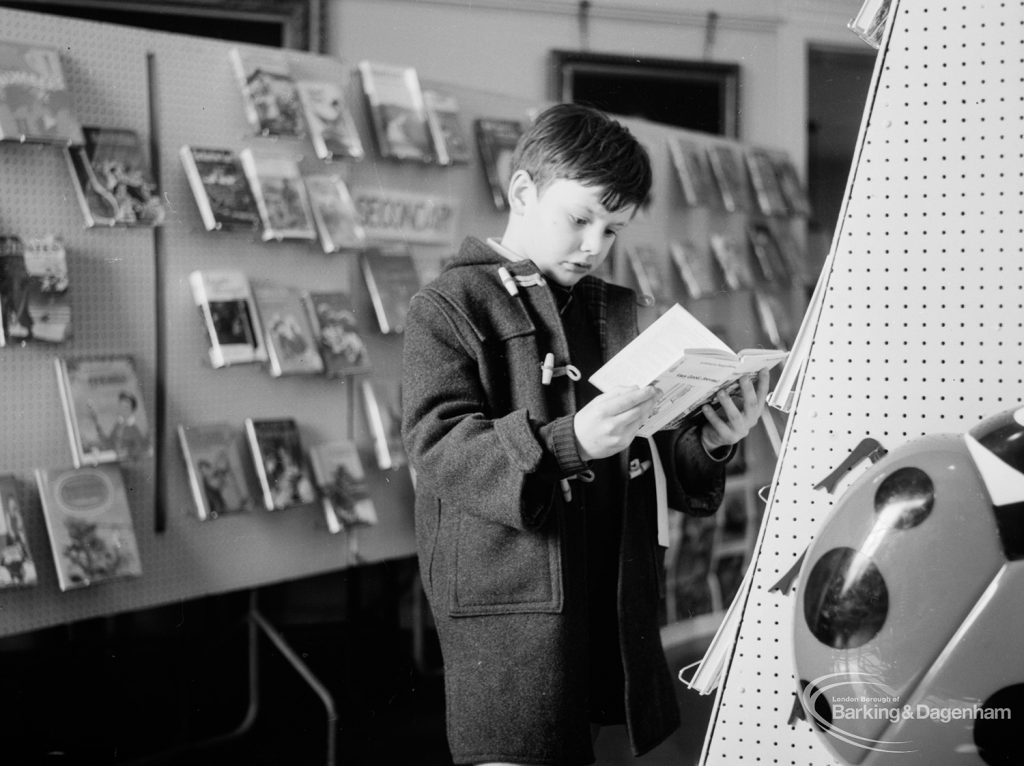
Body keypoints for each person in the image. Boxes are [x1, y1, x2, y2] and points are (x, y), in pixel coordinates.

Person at [401, 103, 768, 766]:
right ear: (521, 192)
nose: (595, 245)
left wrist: (712, 440)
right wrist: (571, 442)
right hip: (510, 610)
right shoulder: (448, 306)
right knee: (519, 749)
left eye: (613, 229)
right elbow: (438, 449)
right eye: (579, 219)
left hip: (603, 590)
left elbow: (645, 445)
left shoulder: (603, 309)